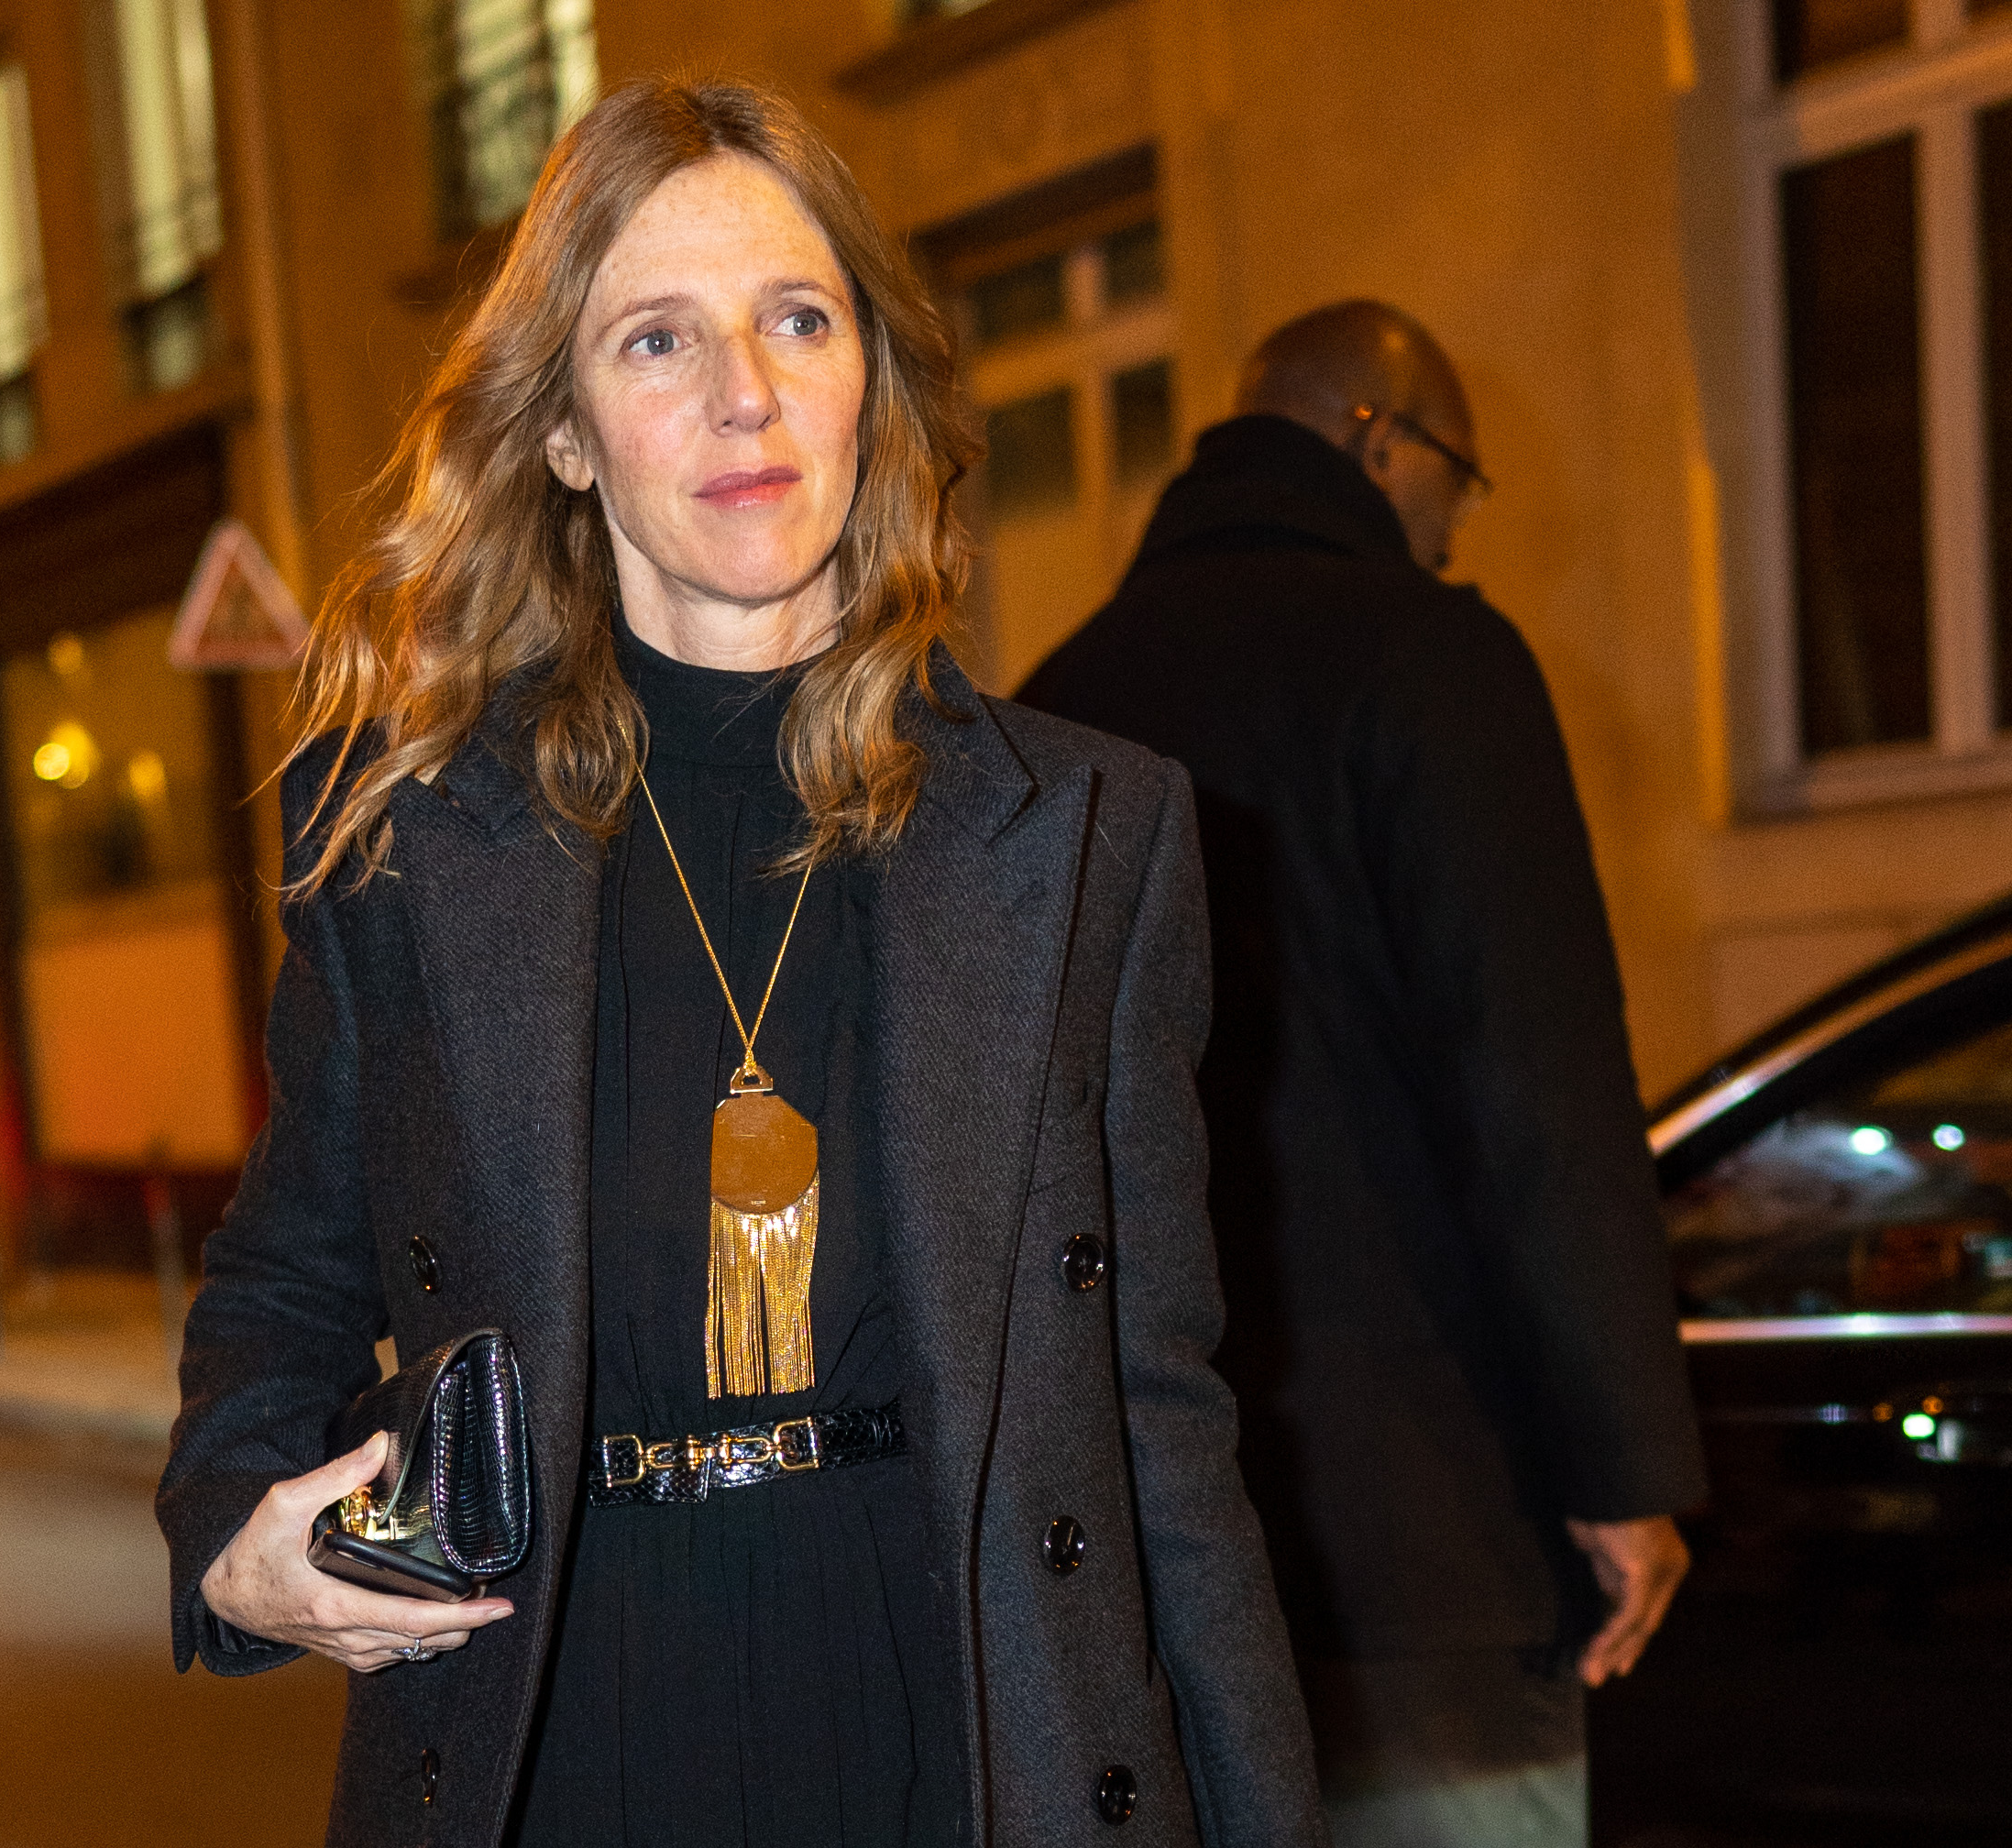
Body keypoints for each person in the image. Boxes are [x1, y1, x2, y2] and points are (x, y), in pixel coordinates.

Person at [156, 78, 1325, 1848]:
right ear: (560, 434)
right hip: (565, 1730)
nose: (743, 395)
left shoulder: (1087, 837)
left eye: (797, 318)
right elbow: (287, 1276)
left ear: (873, 382)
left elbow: (1154, 1407)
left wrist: (1258, 1815)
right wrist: (238, 1531)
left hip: (961, 1725)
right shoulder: (402, 842)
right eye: (652, 340)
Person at [1017, 300, 1710, 1847]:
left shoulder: (1057, 699)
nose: (1456, 530)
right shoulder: (1431, 659)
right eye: (1455, 478)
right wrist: (1622, 1467)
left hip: (1153, 1534)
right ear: (1374, 439)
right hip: (1428, 1530)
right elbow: (1533, 1081)